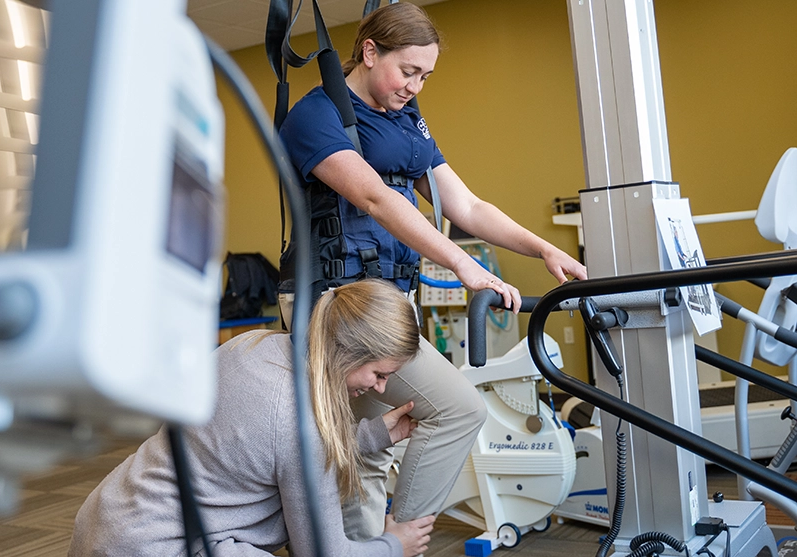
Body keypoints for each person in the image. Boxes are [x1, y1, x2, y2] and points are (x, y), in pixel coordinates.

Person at [277, 0, 588, 544]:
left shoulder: (406, 121)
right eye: (408, 71)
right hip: (335, 307)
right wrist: (463, 264)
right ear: (370, 52)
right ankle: (393, 543)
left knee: (364, 453)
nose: (416, 86)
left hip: (385, 303)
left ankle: (374, 546)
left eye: (426, 75)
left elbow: (467, 207)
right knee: (454, 409)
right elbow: (374, 198)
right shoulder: (316, 114)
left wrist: (541, 249)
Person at [68, 279, 436, 557]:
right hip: (161, 547)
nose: (382, 390)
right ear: (346, 353)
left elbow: (257, 447)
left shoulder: (254, 344)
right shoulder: (301, 422)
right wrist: (393, 545)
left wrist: (371, 435)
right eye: (379, 374)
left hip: (105, 523)